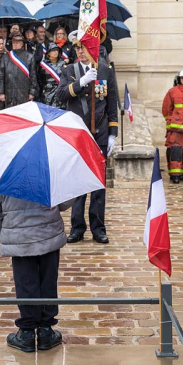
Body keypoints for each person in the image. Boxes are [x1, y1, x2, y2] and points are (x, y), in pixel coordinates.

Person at [0, 187, 73, 352]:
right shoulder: (49, 169)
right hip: (49, 233)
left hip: (20, 236)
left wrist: (5, 233)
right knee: (48, 281)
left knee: (25, 282)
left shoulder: (3, 171)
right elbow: (64, 202)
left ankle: (27, 333)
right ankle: (46, 330)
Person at [57, 41, 118, 244]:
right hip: (77, 132)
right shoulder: (69, 70)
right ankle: (77, 227)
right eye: (77, 48)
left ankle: (98, 228)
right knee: (77, 183)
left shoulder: (105, 69)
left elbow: (111, 101)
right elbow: (61, 94)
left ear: (92, 48)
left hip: (99, 132)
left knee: (98, 184)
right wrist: (81, 82)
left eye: (84, 47)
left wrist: (112, 133)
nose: (80, 52)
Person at [0, 33, 37, 108]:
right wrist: (1, 92)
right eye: (14, 42)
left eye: (18, 42)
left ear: (22, 43)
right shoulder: (6, 57)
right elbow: (1, 76)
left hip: (24, 92)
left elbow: (33, 76)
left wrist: (32, 92)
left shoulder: (29, 56)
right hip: (9, 91)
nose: (15, 44)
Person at [162, 68, 183, 184]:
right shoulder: (172, 92)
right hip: (176, 129)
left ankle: (182, 172)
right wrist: (169, 125)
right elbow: (166, 109)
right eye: (182, 78)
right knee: (175, 151)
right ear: (178, 79)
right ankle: (175, 175)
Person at [37, 44, 66, 108]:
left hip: (60, 92)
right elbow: (39, 79)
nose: (56, 52)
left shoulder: (63, 64)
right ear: (49, 53)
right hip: (47, 92)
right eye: (53, 50)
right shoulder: (43, 65)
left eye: (57, 50)